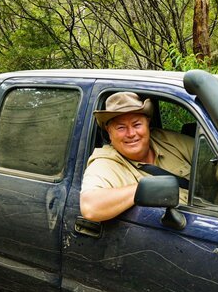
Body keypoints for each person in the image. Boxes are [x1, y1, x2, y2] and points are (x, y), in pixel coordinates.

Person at [80, 92, 193, 222]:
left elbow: (212, 158)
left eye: (137, 125)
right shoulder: (105, 162)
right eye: (121, 127)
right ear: (109, 131)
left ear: (148, 124)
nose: (131, 133)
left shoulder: (167, 140)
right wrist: (141, 189)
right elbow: (90, 207)